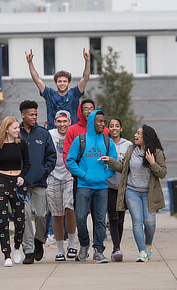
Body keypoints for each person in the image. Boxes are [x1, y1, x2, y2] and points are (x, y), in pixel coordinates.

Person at [100, 125, 167, 262]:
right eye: (136, 133)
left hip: (149, 194)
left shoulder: (157, 153)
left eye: (139, 133)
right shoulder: (131, 150)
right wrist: (110, 161)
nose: (135, 135)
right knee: (137, 222)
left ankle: (148, 244)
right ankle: (142, 252)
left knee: (149, 223)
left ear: (146, 137)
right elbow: (122, 168)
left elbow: (163, 173)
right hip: (132, 192)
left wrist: (153, 163)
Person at [66, 110, 117, 264]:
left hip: (102, 187)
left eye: (104, 121)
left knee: (100, 220)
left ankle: (98, 251)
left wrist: (105, 176)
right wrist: (84, 175)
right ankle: (83, 244)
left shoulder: (108, 141)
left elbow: (114, 163)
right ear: (92, 122)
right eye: (100, 121)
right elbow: (70, 161)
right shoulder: (80, 140)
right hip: (83, 185)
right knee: (80, 218)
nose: (103, 124)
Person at [0, 116, 31, 267]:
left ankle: (17, 246)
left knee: (20, 221)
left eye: (18, 127)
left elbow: (27, 164)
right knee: (3, 220)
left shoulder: (22, 143)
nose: (18, 130)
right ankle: (7, 255)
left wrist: (22, 176)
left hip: (17, 184)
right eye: (15, 128)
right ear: (7, 129)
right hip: (0, 183)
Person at [19, 100, 57, 264]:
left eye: (36, 114)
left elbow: (51, 156)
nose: (34, 117)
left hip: (39, 182)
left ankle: (39, 240)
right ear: (23, 115)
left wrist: (44, 171)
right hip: (20, 185)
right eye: (31, 114)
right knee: (26, 216)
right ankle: (28, 251)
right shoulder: (15, 133)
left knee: (41, 215)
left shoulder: (43, 133)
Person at [25, 48, 90, 130]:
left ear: (69, 83)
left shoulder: (74, 93)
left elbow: (85, 78)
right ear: (56, 83)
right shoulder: (50, 94)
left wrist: (87, 61)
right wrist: (30, 62)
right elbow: (37, 80)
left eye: (64, 81)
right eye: (59, 81)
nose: (62, 83)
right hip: (53, 132)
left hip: (71, 132)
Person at [47, 110, 78, 261]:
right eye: (59, 121)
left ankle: (71, 244)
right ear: (55, 122)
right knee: (57, 214)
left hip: (69, 176)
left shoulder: (74, 134)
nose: (62, 124)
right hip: (53, 177)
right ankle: (60, 250)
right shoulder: (49, 135)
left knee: (69, 209)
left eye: (65, 121)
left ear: (69, 122)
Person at [107, 118, 133, 262]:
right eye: (111, 126)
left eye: (117, 126)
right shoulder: (105, 142)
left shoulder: (128, 145)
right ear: (108, 128)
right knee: (113, 217)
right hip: (108, 185)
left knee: (121, 218)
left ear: (121, 128)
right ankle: (116, 248)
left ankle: (117, 246)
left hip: (123, 187)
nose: (114, 128)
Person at [63, 99, 108, 166]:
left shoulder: (105, 130)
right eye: (86, 109)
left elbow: (111, 154)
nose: (89, 111)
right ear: (81, 111)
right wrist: (75, 172)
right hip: (79, 173)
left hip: (100, 173)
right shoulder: (72, 130)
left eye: (91, 109)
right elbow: (66, 154)